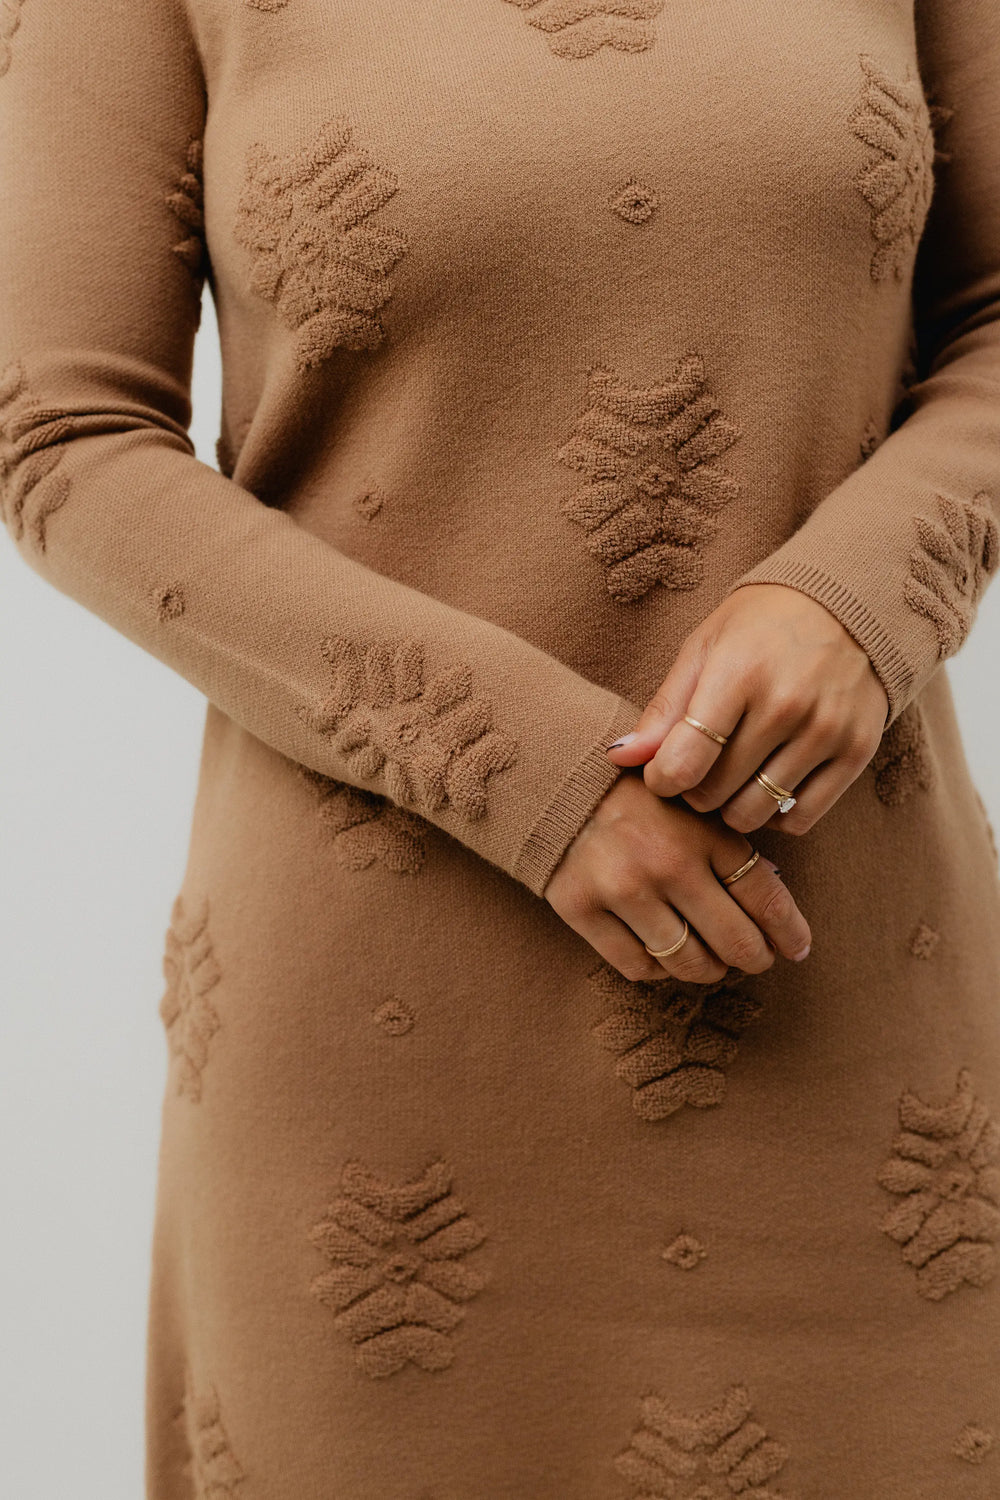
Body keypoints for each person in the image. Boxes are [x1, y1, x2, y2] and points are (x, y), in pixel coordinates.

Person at [2, 0, 998, 1494]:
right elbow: (62, 432)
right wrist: (521, 765)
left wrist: (860, 598)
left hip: (854, 1006)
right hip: (384, 1039)